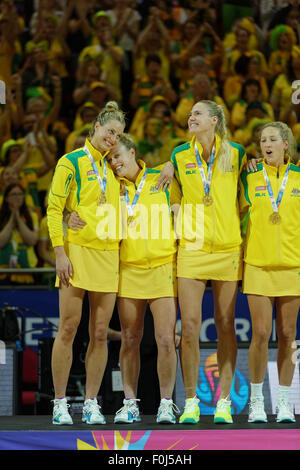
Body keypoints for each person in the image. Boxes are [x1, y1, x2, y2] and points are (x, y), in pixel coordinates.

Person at [68, 133, 182, 424]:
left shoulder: (162, 178)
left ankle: (166, 403)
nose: (115, 162)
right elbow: (78, 201)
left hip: (162, 268)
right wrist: (68, 214)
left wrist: (171, 164)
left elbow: (182, 222)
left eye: (119, 155)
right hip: (127, 271)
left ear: (132, 152)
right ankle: (130, 402)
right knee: (130, 339)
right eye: (111, 158)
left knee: (166, 340)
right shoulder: (108, 187)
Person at [157, 100, 247, 424]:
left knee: (226, 326)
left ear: (214, 120)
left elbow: (247, 200)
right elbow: (172, 194)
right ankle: (192, 400)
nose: (190, 117)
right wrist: (167, 166)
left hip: (226, 250)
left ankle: (223, 401)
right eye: (190, 113)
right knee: (190, 328)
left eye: (197, 113)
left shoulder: (237, 154)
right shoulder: (180, 155)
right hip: (192, 249)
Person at [46, 101, 125, 426]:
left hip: (108, 256)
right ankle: (60, 402)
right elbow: (53, 208)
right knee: (67, 328)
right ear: (95, 127)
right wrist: (60, 252)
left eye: (118, 134)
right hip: (77, 254)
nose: (112, 138)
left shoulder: (114, 167)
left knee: (99, 333)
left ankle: (91, 402)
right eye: (109, 131)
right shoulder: (72, 161)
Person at [239, 121, 300, 423]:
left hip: (293, 267)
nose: (267, 144)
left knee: (288, 336)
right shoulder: (249, 176)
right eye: (263, 139)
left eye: (273, 139)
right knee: (260, 333)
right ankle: (257, 401)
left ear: (286, 144)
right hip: (258, 266)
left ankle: (286, 402)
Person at [0, 182, 39, 285]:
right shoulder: (1, 217)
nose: (18, 197)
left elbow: (31, 241)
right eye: (14, 194)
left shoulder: (32, 216)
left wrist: (17, 217)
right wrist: (12, 219)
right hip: (4, 271)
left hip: (26, 271)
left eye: (20, 194)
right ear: (7, 198)